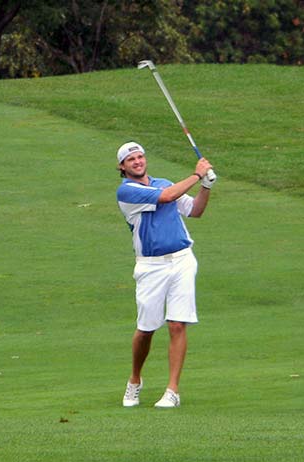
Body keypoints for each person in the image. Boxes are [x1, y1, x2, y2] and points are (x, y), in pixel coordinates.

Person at [115, 141, 216, 408]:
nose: (137, 161)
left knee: (177, 324)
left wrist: (206, 186)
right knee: (146, 329)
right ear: (122, 167)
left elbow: (195, 210)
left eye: (140, 156)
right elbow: (168, 197)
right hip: (151, 266)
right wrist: (196, 174)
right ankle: (135, 379)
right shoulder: (127, 191)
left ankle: (172, 390)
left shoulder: (164, 182)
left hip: (182, 260)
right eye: (131, 159)